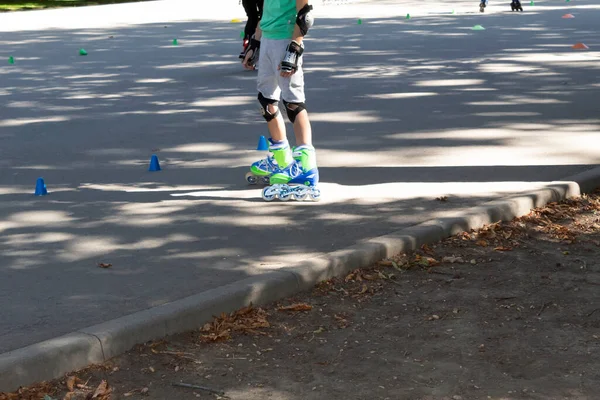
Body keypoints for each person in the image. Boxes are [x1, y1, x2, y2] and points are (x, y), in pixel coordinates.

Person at [242, 0, 320, 201]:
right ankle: (281, 159)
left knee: (293, 104)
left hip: (286, 41)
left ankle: (306, 166)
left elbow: (305, 15)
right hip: (267, 40)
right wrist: (255, 44)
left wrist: (295, 47)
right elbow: (264, 15)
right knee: (266, 102)